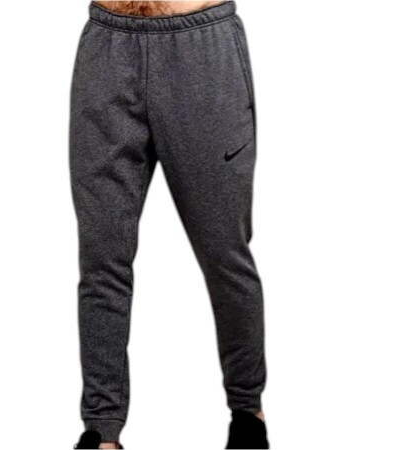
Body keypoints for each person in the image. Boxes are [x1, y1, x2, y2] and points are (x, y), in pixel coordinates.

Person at [69, 1, 269, 448]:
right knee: (101, 261)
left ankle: (247, 413)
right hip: (106, 49)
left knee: (224, 255)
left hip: (202, 51)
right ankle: (102, 431)